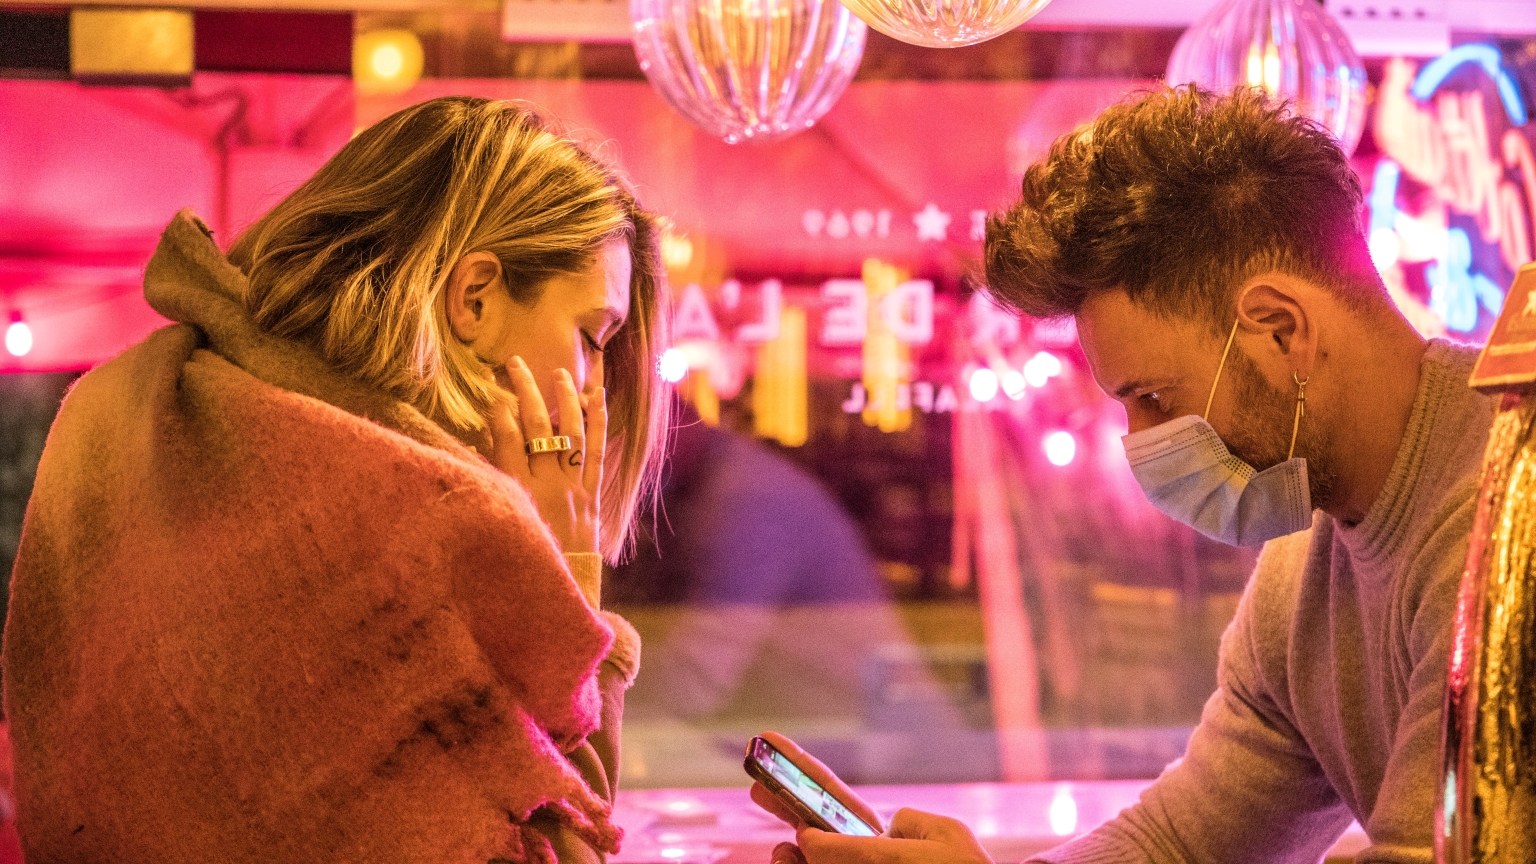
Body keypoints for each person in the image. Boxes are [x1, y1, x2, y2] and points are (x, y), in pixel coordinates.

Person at [754, 85, 1496, 863]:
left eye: (1152, 398)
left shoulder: (1504, 528)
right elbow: (1182, 841)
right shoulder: (1303, 558)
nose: (1136, 440)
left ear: (1282, 331)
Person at [3, 96, 668, 864]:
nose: (594, 389)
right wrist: (565, 581)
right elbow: (559, 849)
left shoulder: (113, 410)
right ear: (475, 298)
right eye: (593, 335)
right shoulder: (429, 519)